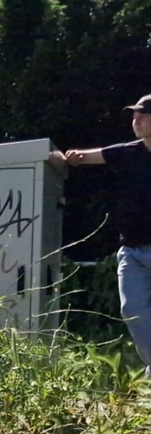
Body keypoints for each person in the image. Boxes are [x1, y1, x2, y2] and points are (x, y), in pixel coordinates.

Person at [58, 93, 151, 372]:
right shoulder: (127, 152)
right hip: (130, 250)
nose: (136, 120)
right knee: (131, 311)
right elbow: (89, 156)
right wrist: (73, 157)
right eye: (134, 115)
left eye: (142, 115)